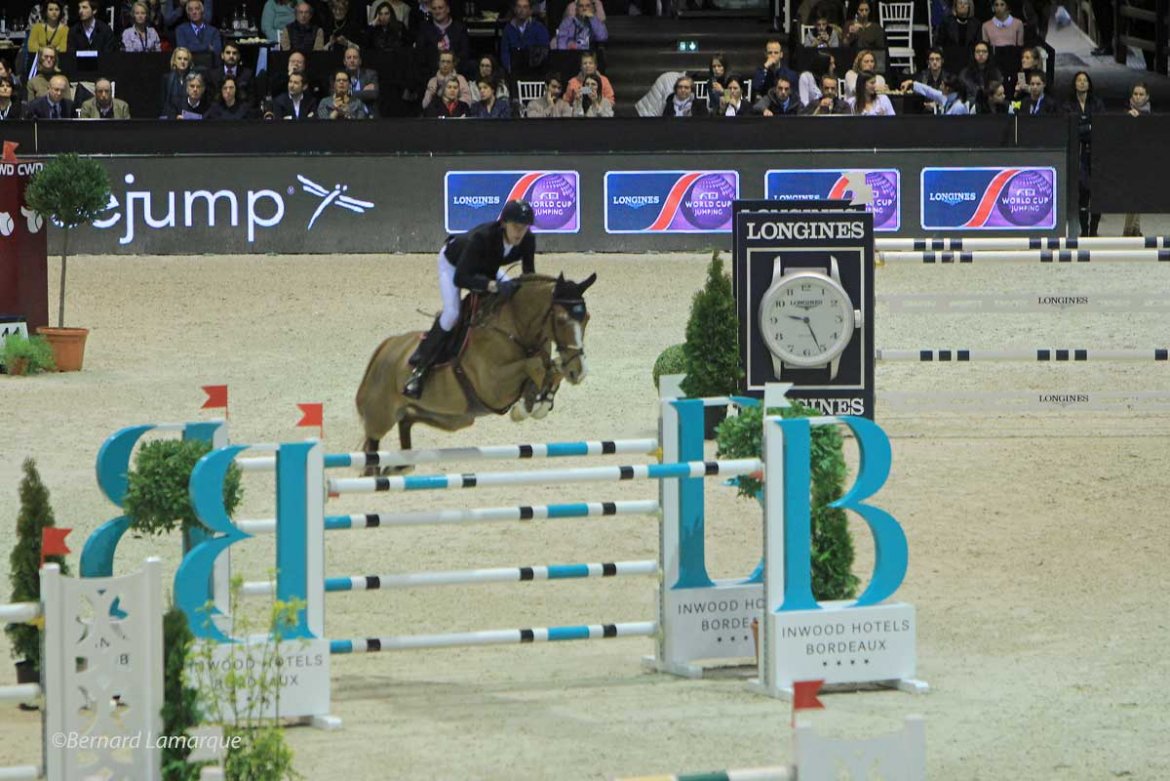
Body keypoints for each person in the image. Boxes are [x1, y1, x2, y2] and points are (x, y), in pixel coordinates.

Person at [402, 199, 537, 399]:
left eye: (524, 227)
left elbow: (529, 276)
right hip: (455, 264)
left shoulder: (528, 240)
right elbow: (461, 278)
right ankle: (420, 368)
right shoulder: (482, 238)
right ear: (504, 224)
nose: (520, 232)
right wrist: (492, 286)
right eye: (516, 226)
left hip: (487, 265)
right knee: (452, 313)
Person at [1064, 70, 1104, 236]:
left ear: (1089, 84)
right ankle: (1084, 230)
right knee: (1082, 191)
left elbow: (1101, 125)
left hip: (1095, 152)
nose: (1082, 83)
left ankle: (1094, 230)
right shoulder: (1068, 104)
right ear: (1074, 84)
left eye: (1085, 80)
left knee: (1097, 192)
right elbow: (1070, 128)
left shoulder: (1096, 103)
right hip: (1077, 152)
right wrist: (1088, 127)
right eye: (1079, 80)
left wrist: (1084, 127)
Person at [1122, 82, 1150, 237]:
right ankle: (1129, 230)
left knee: (1139, 194)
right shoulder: (1125, 113)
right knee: (1132, 194)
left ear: (1147, 97)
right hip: (1129, 159)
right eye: (1135, 94)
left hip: (1145, 159)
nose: (1138, 97)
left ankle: (1134, 229)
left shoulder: (1151, 115)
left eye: (1141, 94)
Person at [417, 0, 471, 78]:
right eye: (434, 8)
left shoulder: (459, 29)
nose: (437, 11)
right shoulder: (424, 29)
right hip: (431, 75)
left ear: (448, 9)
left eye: (440, 8)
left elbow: (464, 54)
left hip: (457, 75)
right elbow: (421, 56)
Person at [500, 0, 550, 73]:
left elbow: (544, 51)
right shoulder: (508, 29)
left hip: (534, 70)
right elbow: (504, 51)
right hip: (514, 70)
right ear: (515, 9)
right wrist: (508, 67)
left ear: (530, 10)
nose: (521, 10)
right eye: (519, 7)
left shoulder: (540, 28)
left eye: (525, 7)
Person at [900, 74, 969, 114]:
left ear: (947, 88)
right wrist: (912, 83)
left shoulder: (959, 107)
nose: (940, 87)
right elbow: (929, 91)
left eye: (942, 85)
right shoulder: (946, 97)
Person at [343, 46, 379, 113]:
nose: (352, 60)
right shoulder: (338, 76)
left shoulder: (370, 75)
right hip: (346, 114)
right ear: (344, 62)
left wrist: (348, 94)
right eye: (349, 58)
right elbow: (335, 95)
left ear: (360, 61)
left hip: (367, 115)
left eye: (355, 57)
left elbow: (374, 94)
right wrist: (363, 92)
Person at [160, 47, 195, 114]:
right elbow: (164, 104)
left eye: (185, 59)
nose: (182, 61)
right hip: (171, 117)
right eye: (179, 58)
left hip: (190, 117)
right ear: (174, 61)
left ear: (189, 62)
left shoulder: (195, 78)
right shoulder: (167, 79)